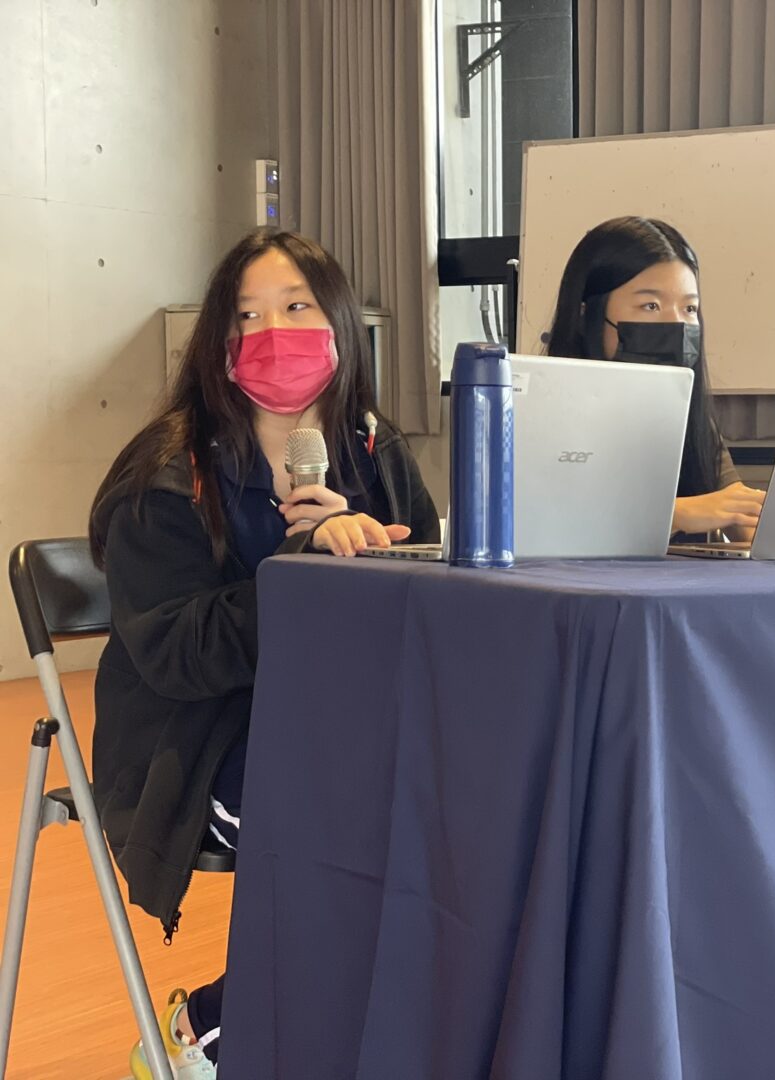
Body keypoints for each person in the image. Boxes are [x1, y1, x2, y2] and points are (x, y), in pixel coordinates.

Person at [89, 229, 439, 1078]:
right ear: (217, 341)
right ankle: (210, 1031)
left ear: (340, 325)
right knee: (375, 821)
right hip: (199, 750)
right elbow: (176, 655)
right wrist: (300, 573)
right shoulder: (165, 472)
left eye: (296, 307)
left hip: (348, 736)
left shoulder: (375, 451)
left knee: (462, 802)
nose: (271, 332)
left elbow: (436, 590)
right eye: (246, 316)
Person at [544, 216, 766, 541]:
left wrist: (754, 521)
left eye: (689, 309)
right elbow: (547, 521)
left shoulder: (686, 413)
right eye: (650, 305)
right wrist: (673, 514)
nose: (675, 324)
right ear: (585, 314)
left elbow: (731, 502)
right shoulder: (541, 409)